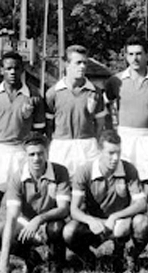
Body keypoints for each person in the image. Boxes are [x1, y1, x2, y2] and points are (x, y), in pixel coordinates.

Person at [0, 52, 46, 273]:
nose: (13, 72)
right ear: (1, 70)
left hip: (22, 154)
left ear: (22, 69)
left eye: (16, 68)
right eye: (8, 68)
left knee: (24, 212)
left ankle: (28, 256)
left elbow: (40, 131)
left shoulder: (34, 96)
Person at [63, 130, 148, 272]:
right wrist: (90, 221)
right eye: (110, 153)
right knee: (69, 231)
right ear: (99, 151)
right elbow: (74, 210)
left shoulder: (128, 169)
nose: (115, 158)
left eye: (118, 152)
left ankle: (128, 255)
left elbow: (141, 204)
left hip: (120, 222)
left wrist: (116, 216)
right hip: (94, 223)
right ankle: (88, 258)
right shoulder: (84, 171)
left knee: (142, 222)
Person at [0, 134, 71, 273]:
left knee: (57, 226)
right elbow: (12, 217)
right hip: (25, 223)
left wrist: (39, 219)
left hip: (50, 222)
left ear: (47, 153)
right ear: (25, 155)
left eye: (40, 153)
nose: (36, 158)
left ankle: (55, 265)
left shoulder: (60, 171)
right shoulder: (17, 176)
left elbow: (64, 209)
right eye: (31, 154)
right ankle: (32, 257)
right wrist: (3, 262)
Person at [104, 36, 148, 189]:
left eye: (138, 54)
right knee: (123, 179)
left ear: (147, 55)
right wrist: (110, 130)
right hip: (124, 137)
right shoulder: (115, 81)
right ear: (126, 56)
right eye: (130, 54)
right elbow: (105, 105)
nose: (134, 58)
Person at [45, 45, 110, 177]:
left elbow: (100, 123)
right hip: (61, 146)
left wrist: (93, 141)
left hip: (87, 146)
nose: (82, 67)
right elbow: (48, 124)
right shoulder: (52, 93)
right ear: (66, 64)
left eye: (85, 63)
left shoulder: (95, 92)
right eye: (78, 62)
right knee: (60, 186)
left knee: (88, 186)